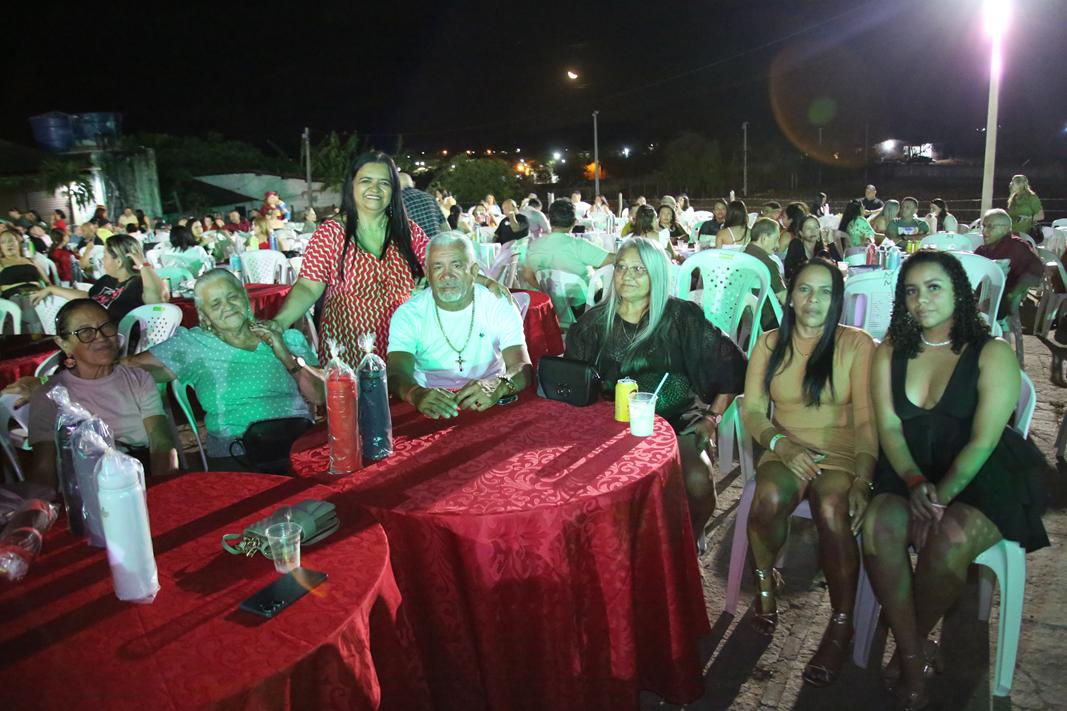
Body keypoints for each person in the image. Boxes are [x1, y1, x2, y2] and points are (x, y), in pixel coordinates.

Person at [859, 250, 1048, 709]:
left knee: (949, 541)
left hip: (980, 472)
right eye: (911, 291)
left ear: (959, 293)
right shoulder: (890, 350)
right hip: (909, 465)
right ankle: (913, 656)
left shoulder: (992, 353)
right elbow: (889, 428)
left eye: (934, 288)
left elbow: (983, 442)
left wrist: (939, 499)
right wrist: (913, 480)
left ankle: (904, 644)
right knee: (878, 527)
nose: (921, 300)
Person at [741, 258, 877, 687]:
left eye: (824, 291)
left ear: (837, 300)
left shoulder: (856, 344)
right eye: (804, 289)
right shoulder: (770, 343)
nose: (813, 300)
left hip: (840, 450)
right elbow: (753, 410)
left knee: (834, 509)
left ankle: (841, 623)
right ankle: (765, 581)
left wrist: (864, 478)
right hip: (785, 445)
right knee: (767, 499)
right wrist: (780, 444)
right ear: (790, 296)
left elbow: (868, 420)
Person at [565, 236, 747, 541]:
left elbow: (733, 365)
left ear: (657, 274)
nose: (627, 275)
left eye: (639, 269)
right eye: (621, 267)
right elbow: (571, 384)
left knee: (698, 483)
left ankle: (688, 543)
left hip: (677, 421)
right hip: (611, 428)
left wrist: (712, 418)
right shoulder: (592, 324)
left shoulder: (681, 317)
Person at [266, 150, 506, 368]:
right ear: (352, 186)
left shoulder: (407, 231)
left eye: (384, 183)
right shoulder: (331, 233)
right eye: (366, 181)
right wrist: (279, 323)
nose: (375, 189)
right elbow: (308, 287)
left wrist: (486, 282)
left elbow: (442, 265)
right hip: (350, 352)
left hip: (404, 347)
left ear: (393, 190)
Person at [129, 269, 324, 471]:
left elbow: (320, 395)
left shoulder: (287, 338)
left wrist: (285, 356)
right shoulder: (193, 344)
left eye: (232, 297)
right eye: (215, 304)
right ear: (204, 315)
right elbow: (129, 370)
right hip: (238, 454)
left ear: (245, 299)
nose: (227, 306)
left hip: (297, 445)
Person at [25, 299, 179, 488]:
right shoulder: (51, 395)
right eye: (85, 332)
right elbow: (44, 469)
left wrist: (164, 489)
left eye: (106, 327)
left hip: (139, 477)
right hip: (85, 487)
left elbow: (161, 442)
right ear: (63, 344)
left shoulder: (138, 379)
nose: (101, 337)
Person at [387, 232, 532, 417]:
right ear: (427, 273)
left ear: (474, 271)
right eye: (438, 267)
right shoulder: (408, 314)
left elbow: (522, 366)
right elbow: (396, 372)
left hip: (491, 402)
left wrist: (500, 384)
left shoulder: (498, 304)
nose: (446, 276)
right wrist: (416, 393)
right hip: (429, 405)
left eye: (456, 266)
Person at [33, 233, 167, 324]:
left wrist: (143, 264)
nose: (102, 259)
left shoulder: (138, 283)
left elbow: (157, 299)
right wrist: (52, 289)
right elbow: (88, 297)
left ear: (118, 262)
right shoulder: (107, 279)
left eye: (105, 255)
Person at [522, 199, 614, 307]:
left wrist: (549, 291)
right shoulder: (578, 245)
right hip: (586, 306)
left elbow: (527, 275)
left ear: (550, 220)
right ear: (574, 222)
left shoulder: (533, 246)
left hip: (554, 306)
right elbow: (615, 259)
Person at [975, 208, 1043, 318]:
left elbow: (1037, 271)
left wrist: (1014, 294)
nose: (984, 232)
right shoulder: (982, 250)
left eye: (990, 227)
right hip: (976, 299)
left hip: (1000, 303)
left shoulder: (1017, 247)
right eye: (984, 226)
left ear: (1005, 229)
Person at [0, 228, 49, 332]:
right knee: (28, 303)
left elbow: (47, 282)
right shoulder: (1, 263)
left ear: (18, 242)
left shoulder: (30, 260)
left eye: (11, 240)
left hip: (38, 293)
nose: (9, 244)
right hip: (15, 296)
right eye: (3, 242)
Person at [744, 218, 787, 330]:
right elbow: (783, 297)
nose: (777, 245)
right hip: (767, 323)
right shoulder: (767, 263)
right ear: (763, 238)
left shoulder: (741, 258)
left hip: (743, 320)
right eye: (776, 239)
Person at [784, 215, 836, 284]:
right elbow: (790, 272)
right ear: (801, 233)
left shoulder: (821, 252)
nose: (813, 231)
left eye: (816, 228)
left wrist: (831, 243)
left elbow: (836, 267)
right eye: (808, 228)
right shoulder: (796, 244)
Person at [399, 172, 447, 238]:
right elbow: (444, 225)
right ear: (412, 183)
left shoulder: (399, 201)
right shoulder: (429, 197)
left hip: (417, 243)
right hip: (436, 242)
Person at [1006, 174, 1044, 238]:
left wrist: (1026, 218)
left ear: (1021, 184)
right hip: (1012, 233)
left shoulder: (1032, 197)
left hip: (1025, 234)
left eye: (1013, 183)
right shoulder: (1013, 197)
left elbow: (1041, 216)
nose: (1011, 185)